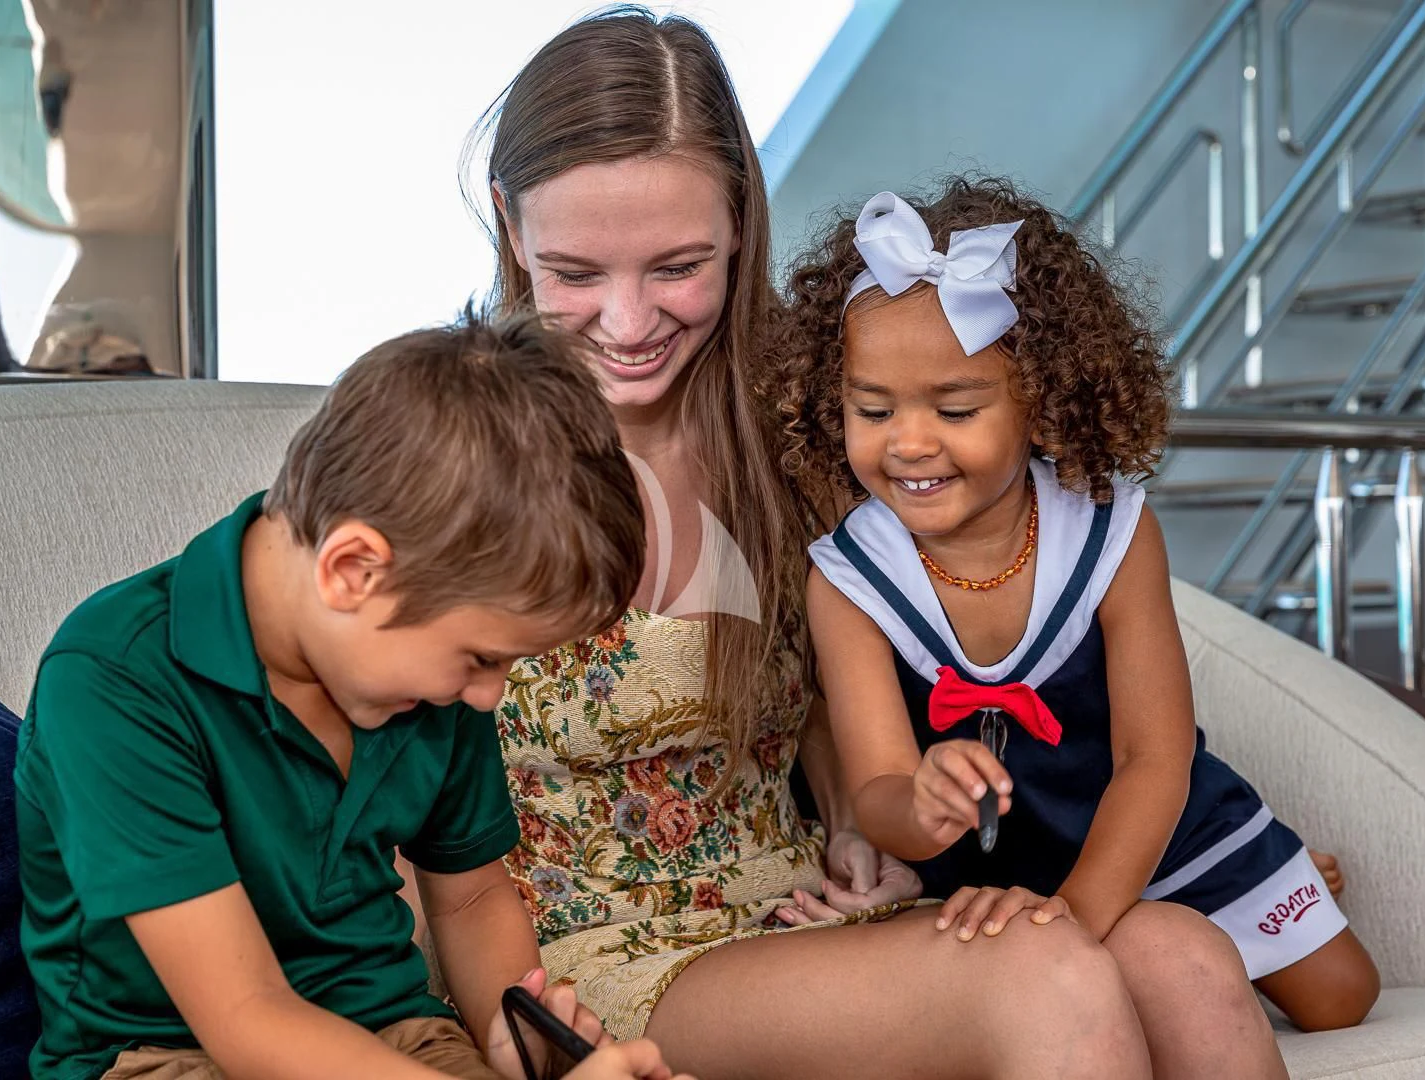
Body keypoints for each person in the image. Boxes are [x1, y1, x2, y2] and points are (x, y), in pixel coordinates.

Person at [476, 9, 1158, 1079]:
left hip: (807, 908)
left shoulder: (809, 432)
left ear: (742, 222)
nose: (625, 319)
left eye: (676, 266)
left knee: (1172, 956)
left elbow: (927, 659)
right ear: (510, 227)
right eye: (574, 272)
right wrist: (510, 1031)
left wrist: (858, 826)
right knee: (1049, 973)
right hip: (604, 963)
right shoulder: (452, 447)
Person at [774, 176, 1382, 1059]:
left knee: (1340, 997)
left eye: (955, 409)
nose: (908, 442)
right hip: (996, 866)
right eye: (874, 409)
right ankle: (1183, 946)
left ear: (1044, 402)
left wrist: (1081, 918)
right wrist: (923, 804)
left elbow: (1154, 756)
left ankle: (1248, 892)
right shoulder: (847, 579)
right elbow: (877, 794)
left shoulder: (1112, 530)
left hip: (1151, 822)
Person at [14, 312, 690, 1080]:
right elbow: (245, 1017)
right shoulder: (113, 676)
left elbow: (469, 899)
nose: (486, 695)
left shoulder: (424, 682)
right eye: (481, 658)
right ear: (353, 571)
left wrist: (512, 1035)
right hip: (164, 1058)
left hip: (392, 1036)